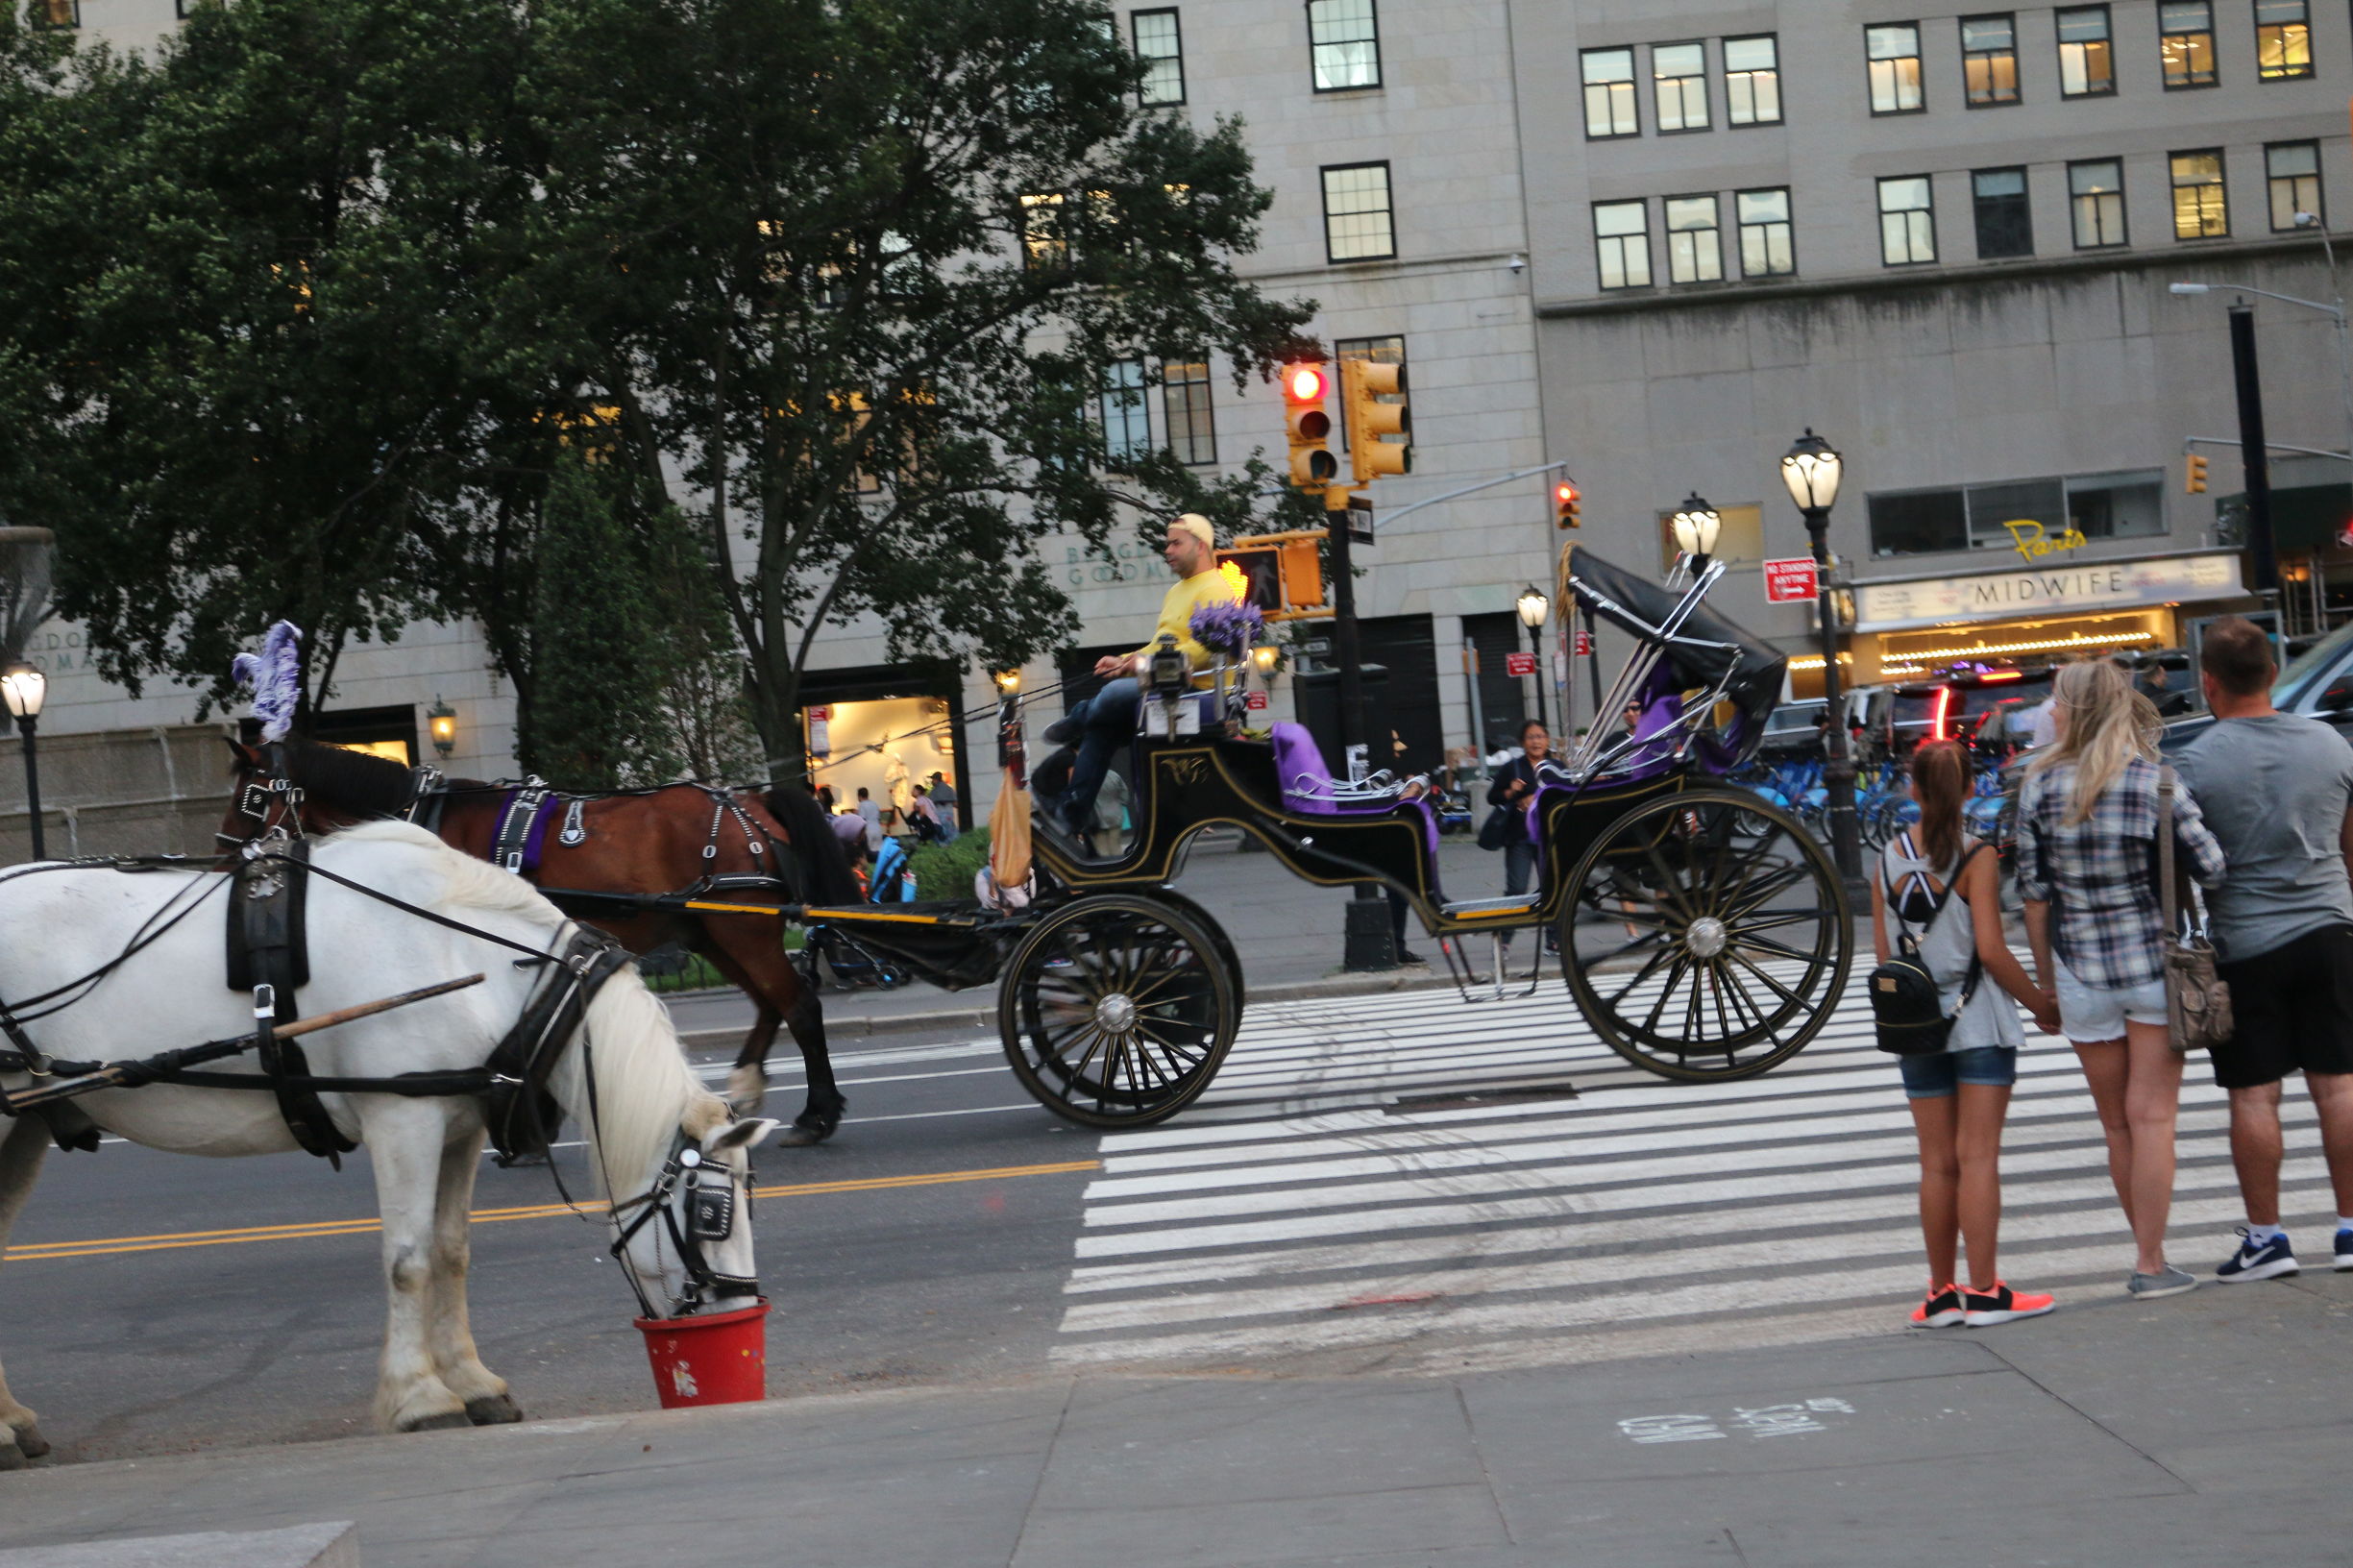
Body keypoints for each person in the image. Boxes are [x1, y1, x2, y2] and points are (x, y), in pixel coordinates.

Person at [2017, 659, 2225, 1301]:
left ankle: (2147, 1256)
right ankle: (2150, 1261)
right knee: (2153, 1118)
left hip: (2080, 972)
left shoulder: (2037, 788)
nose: (2046, 711)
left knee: (2116, 1125)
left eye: (2054, 702)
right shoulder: (2153, 783)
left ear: (2074, 711)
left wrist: (2045, 983)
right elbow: (2213, 867)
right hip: (2151, 967)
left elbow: (2033, 897)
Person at [2171, 616, 2353, 1281]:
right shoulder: (2330, 745)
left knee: (2253, 1095)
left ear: (2208, 682)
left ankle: (2267, 1239)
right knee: (2338, 1086)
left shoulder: (2191, 761)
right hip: (2329, 931)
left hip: (2244, 944)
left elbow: (2188, 864)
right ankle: (2349, 1227)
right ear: (2273, 673)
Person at [1875, 741, 2063, 1330]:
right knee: (1978, 1157)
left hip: (1915, 1025)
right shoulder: (1977, 856)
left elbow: (1886, 958)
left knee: (1936, 1164)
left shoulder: (1886, 858)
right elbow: (1991, 950)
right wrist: (2041, 1003)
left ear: (1913, 790)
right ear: (1970, 791)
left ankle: (1938, 1294)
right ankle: (1984, 1291)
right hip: (1977, 1018)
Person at [1045, 513, 1241, 835]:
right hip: (1168, 686)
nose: (1168, 550)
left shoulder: (1217, 588)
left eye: (1176, 543)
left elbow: (1204, 650)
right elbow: (1158, 645)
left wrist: (1144, 666)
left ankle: (1078, 717)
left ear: (1201, 546)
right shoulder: (1178, 590)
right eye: (1167, 544)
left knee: (1110, 696)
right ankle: (1072, 812)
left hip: (1198, 693)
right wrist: (1123, 660)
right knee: (1100, 728)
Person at [1485, 721, 1549, 951]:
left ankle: (1553, 940)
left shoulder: (1555, 766)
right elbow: (1492, 797)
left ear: (1547, 740)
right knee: (1516, 890)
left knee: (1552, 890)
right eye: (1531, 737)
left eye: (1540, 736)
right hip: (1519, 838)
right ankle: (1504, 941)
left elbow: (1569, 792)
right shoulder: (1513, 767)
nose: (1536, 741)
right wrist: (1511, 791)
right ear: (1523, 743)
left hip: (1548, 839)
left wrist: (1538, 799)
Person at [927, 772, 960, 843]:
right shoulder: (949, 789)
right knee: (951, 830)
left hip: (940, 814)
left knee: (942, 832)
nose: (932, 782)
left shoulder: (935, 791)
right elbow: (956, 803)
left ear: (936, 779)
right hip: (949, 813)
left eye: (932, 780)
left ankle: (944, 846)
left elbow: (930, 804)